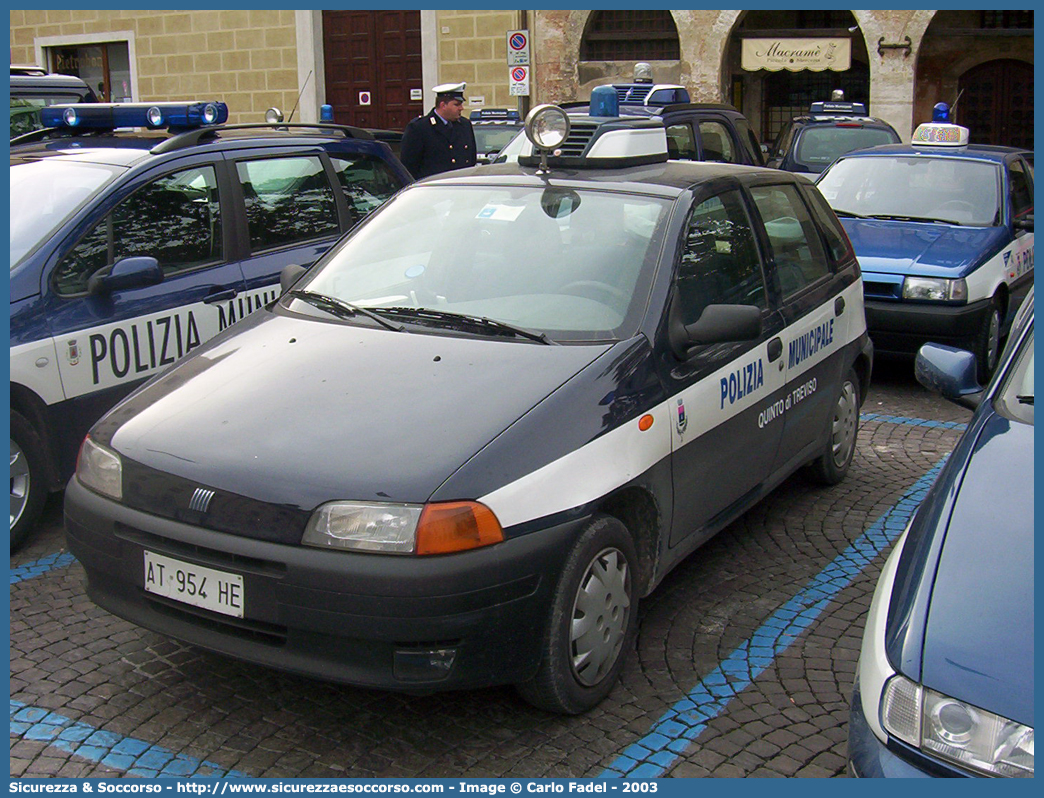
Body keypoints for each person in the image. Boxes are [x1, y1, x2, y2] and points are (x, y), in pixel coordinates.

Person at [399, 82, 477, 180]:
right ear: (443, 105)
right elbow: (409, 165)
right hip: (433, 188)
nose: (461, 108)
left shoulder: (464, 125)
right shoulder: (419, 128)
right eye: (456, 105)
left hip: (460, 186)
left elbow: (471, 159)